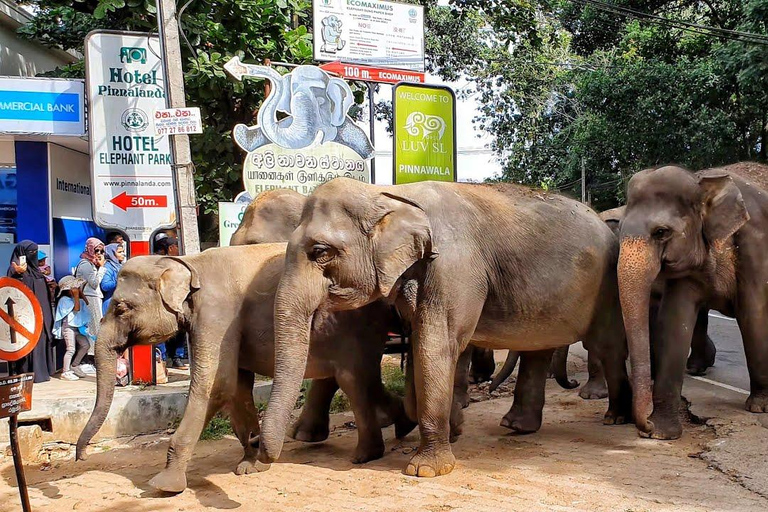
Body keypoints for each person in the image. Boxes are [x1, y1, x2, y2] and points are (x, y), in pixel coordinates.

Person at [7, 240, 55, 383]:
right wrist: (19, 274)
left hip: (41, 316)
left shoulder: (37, 272)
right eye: (30, 253)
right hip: (25, 318)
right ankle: (27, 373)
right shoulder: (14, 271)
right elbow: (13, 290)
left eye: (35, 251)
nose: (33, 255)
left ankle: (42, 372)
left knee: (41, 341)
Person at [152, 236, 188, 369]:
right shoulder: (158, 263)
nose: (178, 249)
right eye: (177, 247)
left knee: (179, 331)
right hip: (161, 302)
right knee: (162, 332)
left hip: (177, 301)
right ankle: (162, 359)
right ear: (171, 248)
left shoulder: (179, 263)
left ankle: (176, 358)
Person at [74, 237, 106, 375]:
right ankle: (88, 360)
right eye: (96, 250)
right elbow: (93, 283)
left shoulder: (91, 264)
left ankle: (90, 359)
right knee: (93, 329)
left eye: (102, 251)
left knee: (95, 328)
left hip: (93, 298)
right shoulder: (86, 264)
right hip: (89, 299)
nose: (99, 253)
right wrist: (102, 268)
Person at [52, 276, 91, 380]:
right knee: (70, 349)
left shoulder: (76, 297)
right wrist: (76, 295)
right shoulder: (64, 300)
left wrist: (80, 292)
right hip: (68, 327)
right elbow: (76, 308)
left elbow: (86, 303)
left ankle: (74, 365)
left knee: (85, 345)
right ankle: (65, 371)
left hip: (77, 328)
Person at [100, 242, 125, 314]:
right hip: (111, 303)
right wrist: (119, 281)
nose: (123, 254)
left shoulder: (119, 265)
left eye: (123, 251)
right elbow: (105, 286)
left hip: (119, 303)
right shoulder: (108, 266)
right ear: (112, 253)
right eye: (120, 252)